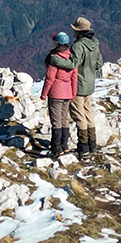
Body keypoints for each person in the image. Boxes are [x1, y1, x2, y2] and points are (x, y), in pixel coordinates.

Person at [49, 17, 103, 158]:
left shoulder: (78, 46)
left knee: (79, 115)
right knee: (88, 112)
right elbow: (99, 64)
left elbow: (73, 64)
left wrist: (55, 59)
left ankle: (83, 147)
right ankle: (92, 145)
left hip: (79, 85)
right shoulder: (95, 44)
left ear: (78, 31)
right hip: (90, 84)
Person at [40, 31, 78, 159]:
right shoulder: (72, 58)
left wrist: (44, 94)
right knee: (64, 119)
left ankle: (56, 148)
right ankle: (64, 146)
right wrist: (73, 93)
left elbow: (50, 78)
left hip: (56, 93)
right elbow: (74, 78)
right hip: (67, 93)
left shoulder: (55, 58)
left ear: (57, 43)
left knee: (56, 121)